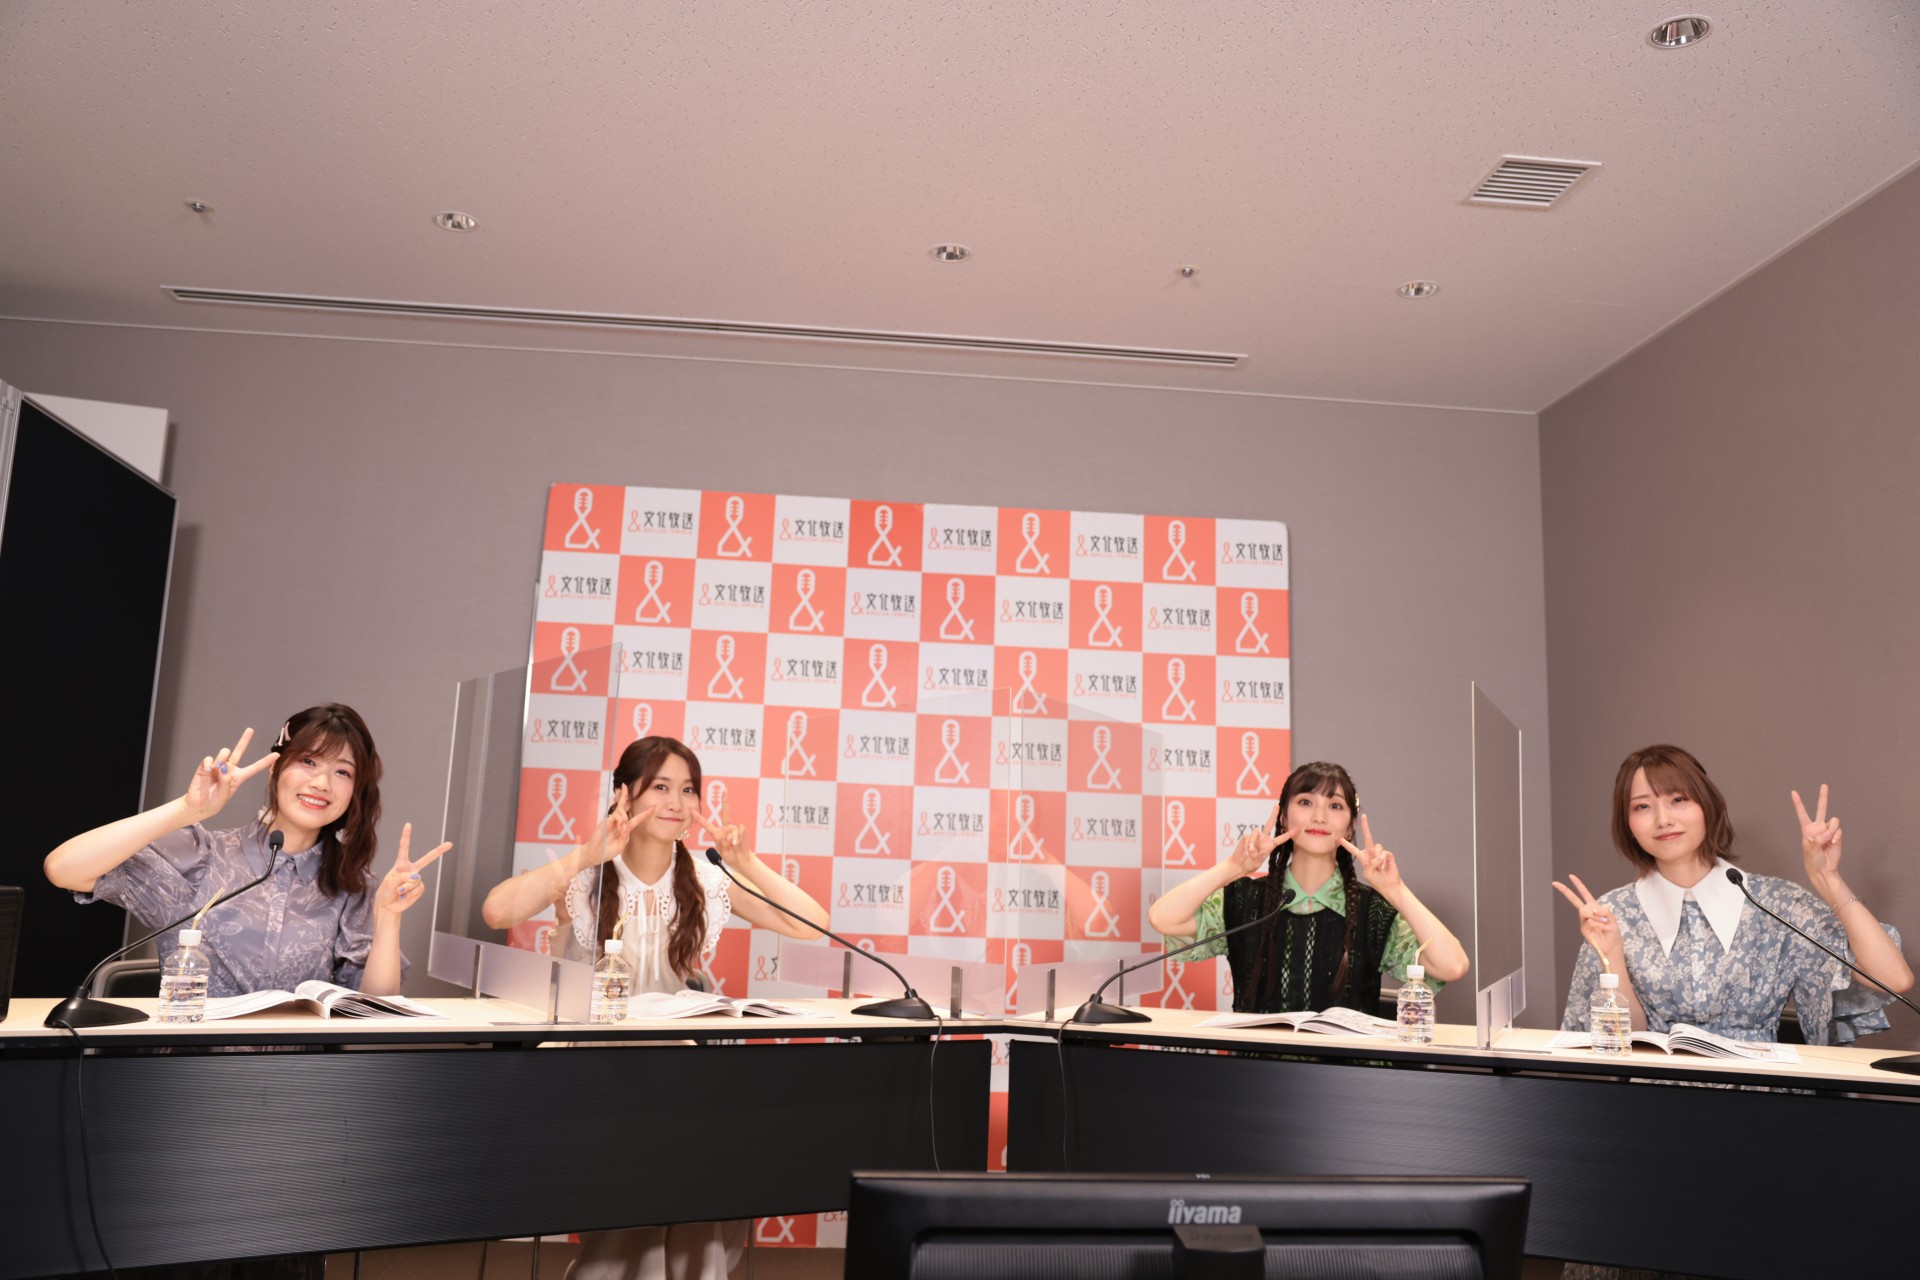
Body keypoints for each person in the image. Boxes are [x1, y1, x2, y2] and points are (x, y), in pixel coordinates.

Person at [480, 735, 832, 1280]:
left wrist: (746, 862)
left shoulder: (706, 879)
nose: (677, 803)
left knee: (705, 1162)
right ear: (624, 794)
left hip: (674, 1061)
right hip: (590, 1059)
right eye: (661, 787)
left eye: (688, 790)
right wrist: (587, 854)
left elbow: (813, 924)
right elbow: (497, 911)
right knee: (645, 1158)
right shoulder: (587, 872)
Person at [44, 705, 443, 999]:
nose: (322, 783)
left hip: (299, 1079)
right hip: (187, 1073)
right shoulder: (201, 855)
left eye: (342, 771)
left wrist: (388, 917)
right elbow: (63, 868)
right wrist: (186, 810)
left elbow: (373, 1012)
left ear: (355, 791)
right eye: (308, 761)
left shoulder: (352, 886)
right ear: (274, 769)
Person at [1554, 743, 1911, 1046]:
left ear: (1707, 806)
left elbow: (1894, 979)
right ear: (1628, 824)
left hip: (1761, 1098)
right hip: (1658, 1097)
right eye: (1642, 806)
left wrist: (1828, 878)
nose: (1662, 819)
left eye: (1678, 799)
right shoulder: (1612, 913)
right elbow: (1624, 1043)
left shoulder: (1775, 902)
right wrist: (1613, 957)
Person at [1147, 760, 1469, 1013]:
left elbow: (1453, 965)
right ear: (1284, 818)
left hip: (1348, 1076)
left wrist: (1395, 889)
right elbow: (1163, 919)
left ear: (1350, 826)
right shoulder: (1246, 900)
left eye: (1335, 806)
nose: (1319, 817)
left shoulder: (1371, 912)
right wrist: (1233, 867)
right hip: (1256, 1071)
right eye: (1305, 802)